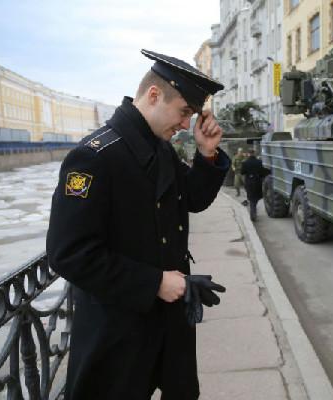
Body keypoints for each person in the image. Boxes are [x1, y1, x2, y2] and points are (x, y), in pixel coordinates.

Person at [46, 49, 229, 400]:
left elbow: (192, 198)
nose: (186, 125)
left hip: (166, 322)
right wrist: (155, 282)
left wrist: (206, 153)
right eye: (184, 113)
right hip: (118, 330)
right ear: (155, 95)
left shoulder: (159, 147)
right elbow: (68, 254)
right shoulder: (94, 156)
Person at [240, 149, 268, 221]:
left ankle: (253, 213)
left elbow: (242, 172)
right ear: (254, 153)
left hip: (249, 182)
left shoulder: (245, 163)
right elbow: (263, 173)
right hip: (257, 181)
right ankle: (253, 213)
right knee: (255, 198)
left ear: (248, 154)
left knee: (251, 198)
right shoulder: (259, 162)